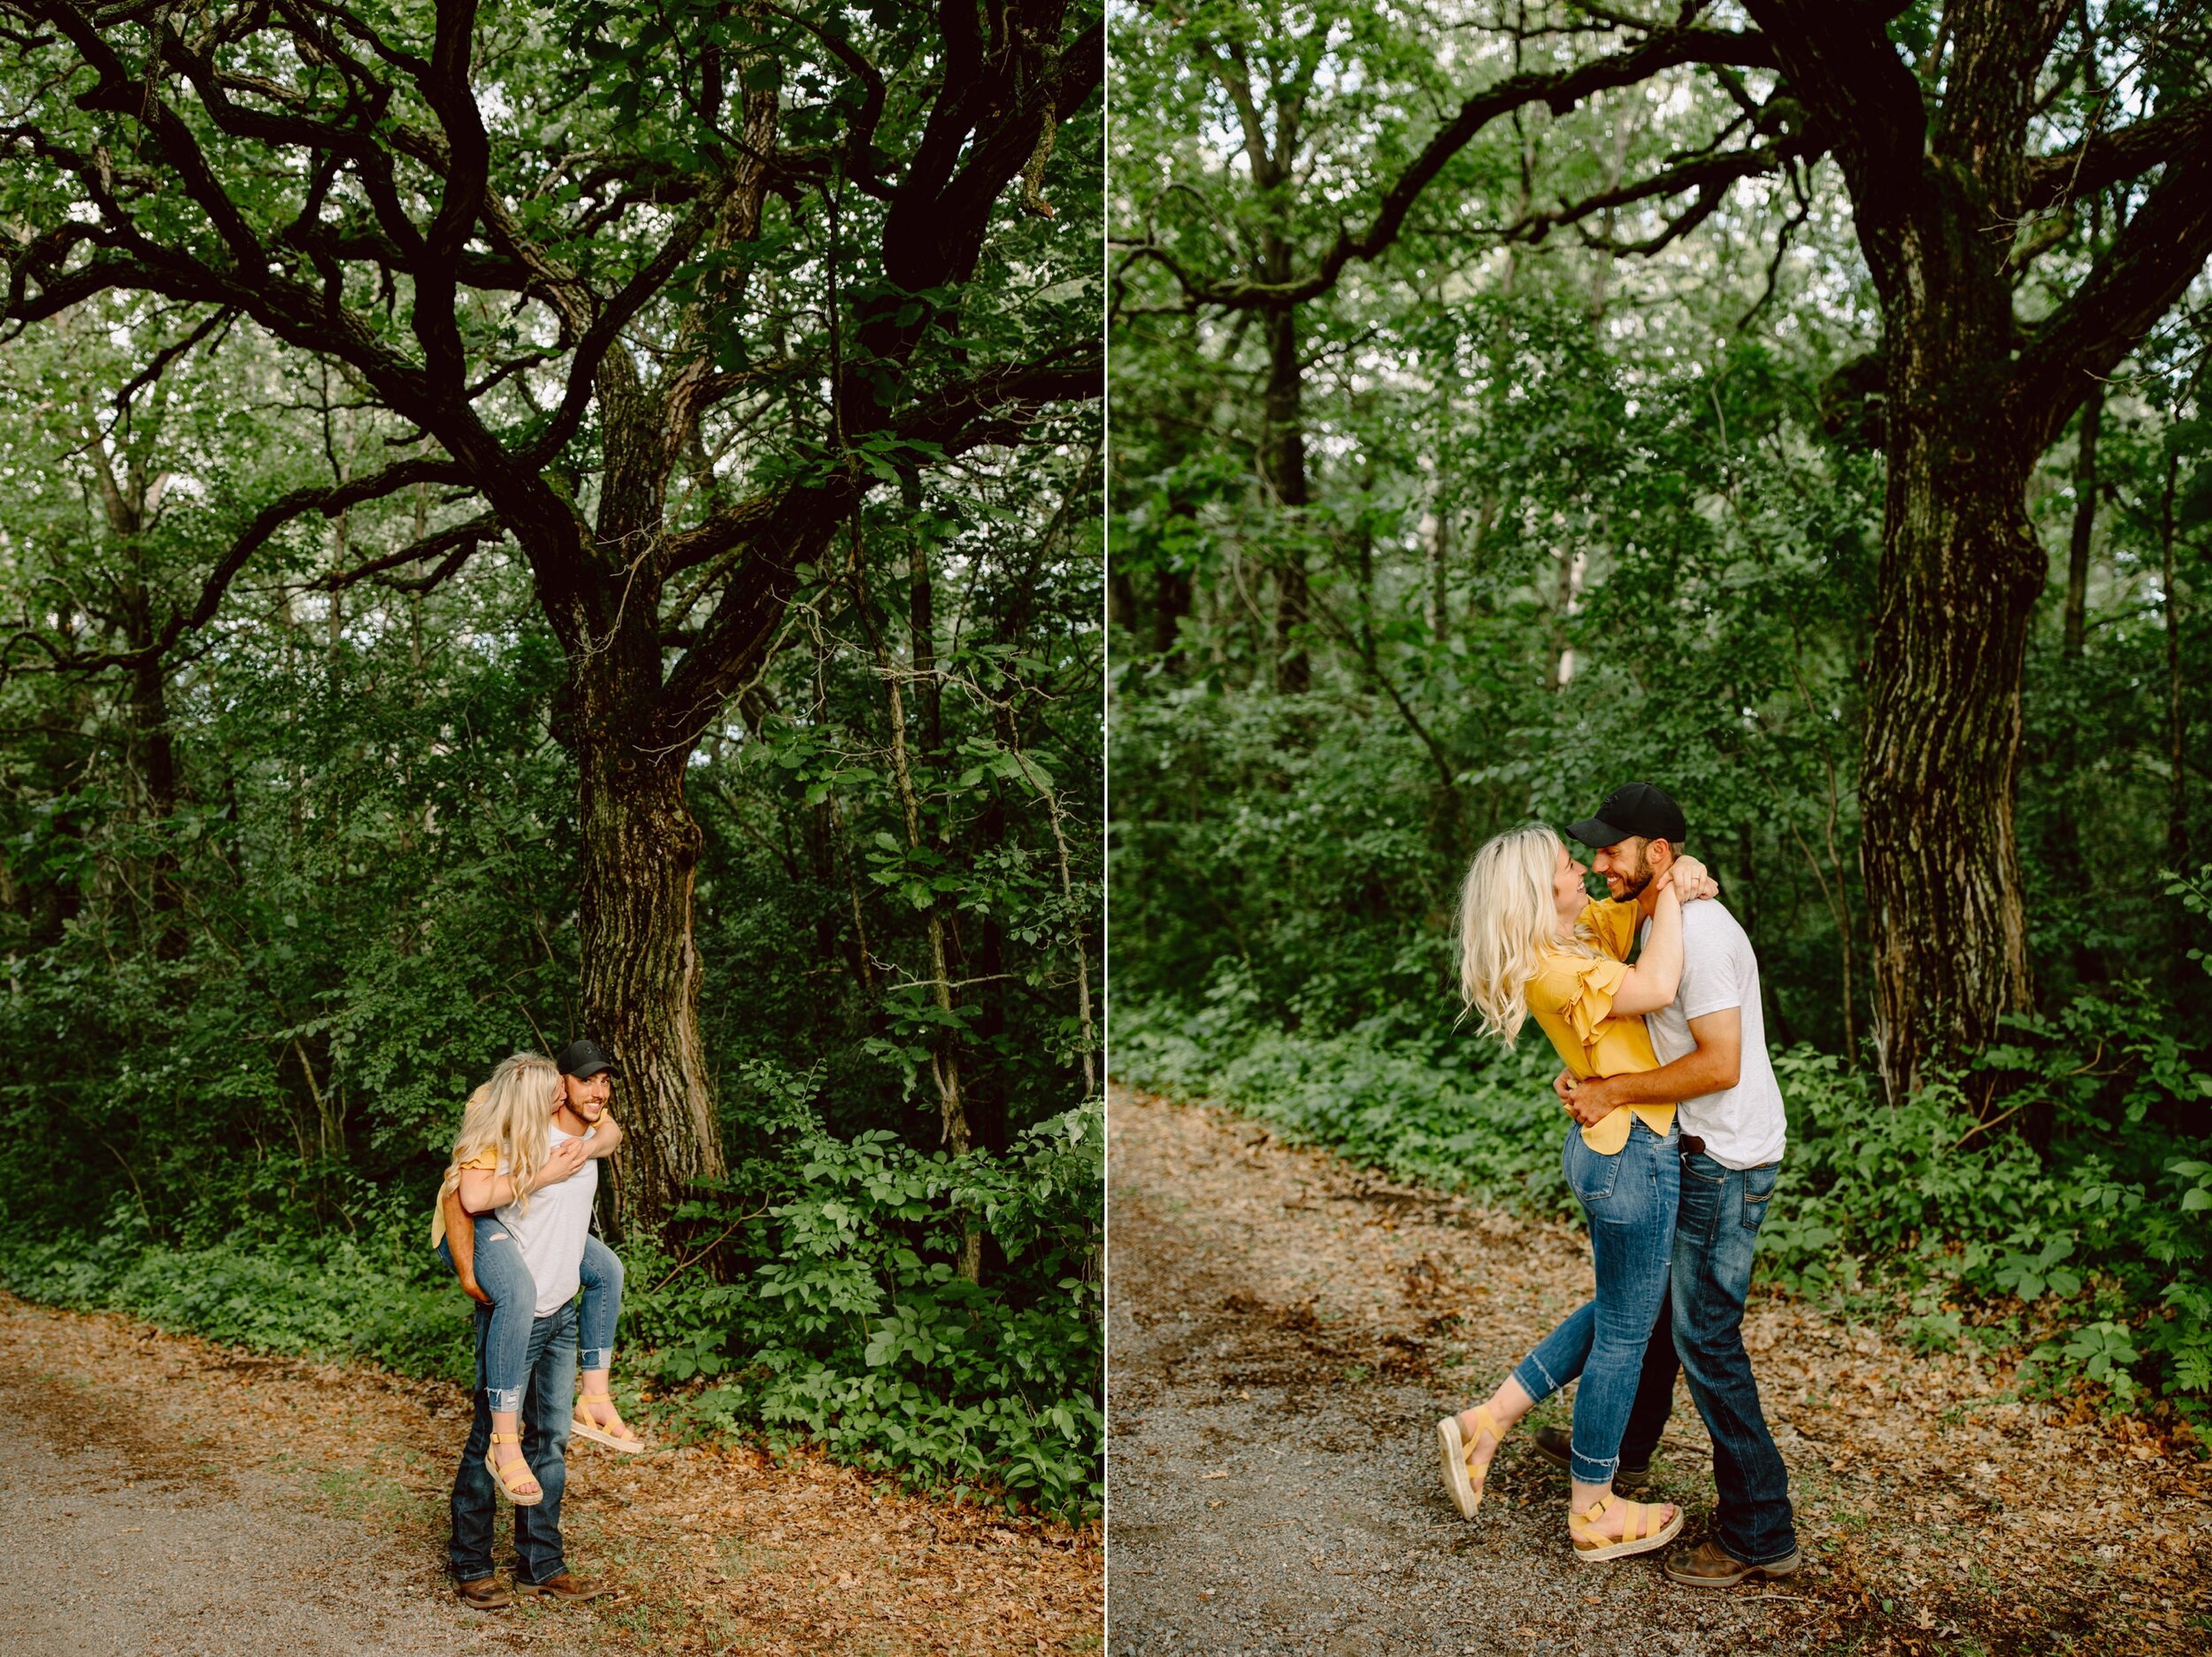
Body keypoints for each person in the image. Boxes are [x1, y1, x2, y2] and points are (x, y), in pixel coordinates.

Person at [1537, 782, 1801, 1588]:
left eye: (1611, 849)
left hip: (1726, 1157)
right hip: (1692, 1145)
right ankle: (1623, 1450)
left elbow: (1719, 1063)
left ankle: (1761, 1530)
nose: (1597, 863)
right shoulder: (1652, 913)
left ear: (1657, 853)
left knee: (1706, 1336)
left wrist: (1614, 1092)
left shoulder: (1707, 935)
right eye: (1593, 851)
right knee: (1653, 1308)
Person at [1437, 818, 1715, 1562]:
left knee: (1622, 1309)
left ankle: (1487, 1421)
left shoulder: (1572, 934)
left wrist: (1677, 876)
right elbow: (1657, 981)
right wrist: (1676, 897)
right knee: (1628, 1330)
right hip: (1631, 1152)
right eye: (1568, 863)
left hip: (1614, 1147)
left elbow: (1640, 908)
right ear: (1540, 889)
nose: (1585, 870)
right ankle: (1593, 1506)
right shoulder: (1555, 967)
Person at [434, 1042, 633, 1608]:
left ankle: (541, 1564)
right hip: (515, 1316)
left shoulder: (588, 1132)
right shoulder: (512, 1131)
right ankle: (471, 1563)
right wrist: (471, 1271)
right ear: (556, 1085)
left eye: (604, 1083)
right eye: (580, 1082)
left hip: (562, 1314)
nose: (595, 1092)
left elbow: (611, 1133)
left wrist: (592, 1137)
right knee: (490, 1440)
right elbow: (462, 1194)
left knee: (551, 1441)